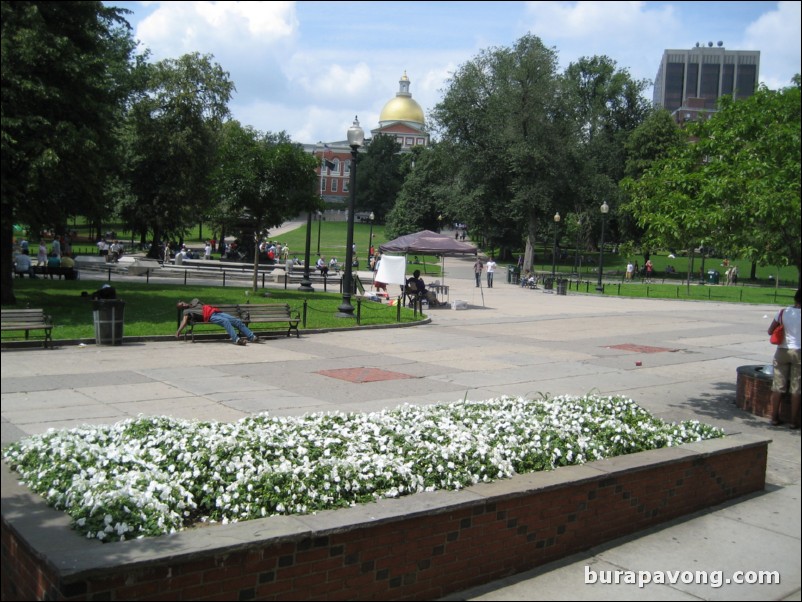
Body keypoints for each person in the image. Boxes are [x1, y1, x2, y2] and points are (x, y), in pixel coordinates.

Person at [768, 288, 801, 428]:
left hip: (782, 350)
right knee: (796, 388)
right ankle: (793, 421)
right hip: (799, 352)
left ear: (795, 299)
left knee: (778, 386)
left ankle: (774, 417)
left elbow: (770, 330)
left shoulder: (783, 312)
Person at [176, 299, 260, 345]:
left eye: (182, 303)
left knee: (236, 320)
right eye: (181, 306)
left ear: (183, 301)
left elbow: (204, 304)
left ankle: (252, 337)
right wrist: (178, 331)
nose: (183, 305)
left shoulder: (194, 301)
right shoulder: (186, 312)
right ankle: (236, 339)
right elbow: (184, 322)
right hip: (210, 317)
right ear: (182, 309)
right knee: (226, 321)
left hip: (216, 312)